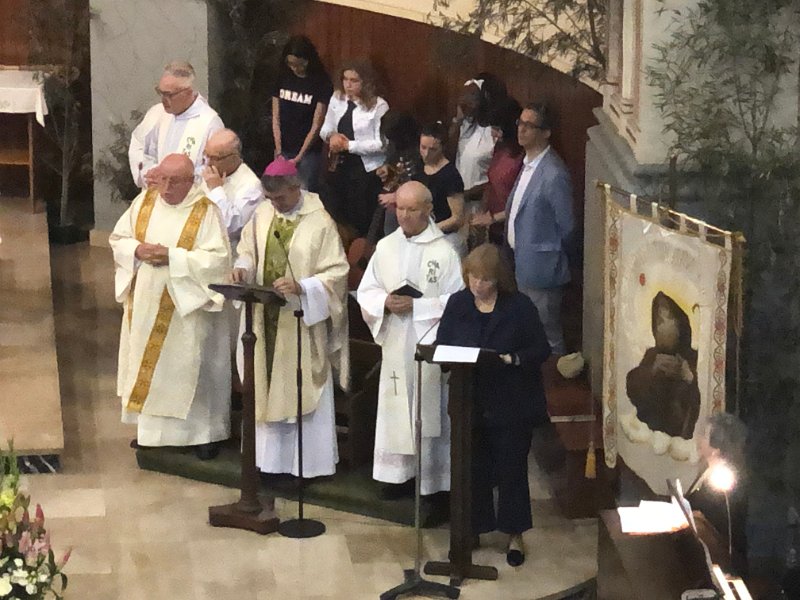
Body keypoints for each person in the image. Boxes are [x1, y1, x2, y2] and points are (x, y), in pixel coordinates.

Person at [232, 157, 349, 477]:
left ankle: (303, 468)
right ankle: (267, 464)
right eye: (270, 198)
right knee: (263, 385)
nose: (275, 205)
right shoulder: (262, 213)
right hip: (263, 319)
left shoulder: (320, 221)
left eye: (280, 198)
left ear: (296, 188)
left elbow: (337, 273)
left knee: (297, 391)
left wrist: (303, 287)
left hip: (298, 323)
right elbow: (248, 251)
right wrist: (242, 268)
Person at [110, 153, 231, 460]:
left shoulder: (205, 211)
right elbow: (118, 238)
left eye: (175, 181)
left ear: (192, 181)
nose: (165, 188)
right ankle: (151, 434)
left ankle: (202, 436)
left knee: (189, 367)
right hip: (146, 300)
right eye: (162, 179)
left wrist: (172, 257)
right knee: (148, 365)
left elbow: (218, 261)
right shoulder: (144, 202)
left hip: (186, 306)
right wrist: (137, 249)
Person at [436, 243, 551, 567]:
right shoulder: (458, 304)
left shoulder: (519, 307)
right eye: (473, 277)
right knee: (472, 469)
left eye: (485, 279)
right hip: (469, 400)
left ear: (499, 279)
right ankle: (473, 529)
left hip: (511, 401)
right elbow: (443, 342)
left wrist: (512, 359)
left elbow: (540, 349)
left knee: (511, 469)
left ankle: (514, 534)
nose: (477, 284)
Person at [357, 181, 463, 498]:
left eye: (412, 209)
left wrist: (418, 306)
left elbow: (458, 303)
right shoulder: (386, 247)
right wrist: (384, 302)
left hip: (427, 342)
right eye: (399, 208)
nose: (403, 215)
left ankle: (431, 482)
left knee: (428, 411)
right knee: (396, 407)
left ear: (428, 210)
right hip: (395, 340)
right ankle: (397, 476)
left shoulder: (445, 252)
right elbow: (366, 290)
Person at [505, 102, 574, 355]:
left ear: (546, 132)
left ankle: (555, 375)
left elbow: (567, 227)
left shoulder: (554, 174)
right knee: (527, 328)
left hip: (542, 268)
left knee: (547, 332)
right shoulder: (528, 164)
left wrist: (549, 255)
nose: (521, 129)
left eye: (529, 125)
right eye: (520, 123)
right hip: (520, 261)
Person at [320, 59, 388, 236]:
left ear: (365, 82)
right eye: (345, 79)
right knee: (335, 208)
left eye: (354, 80)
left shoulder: (379, 105)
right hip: (338, 164)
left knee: (359, 214)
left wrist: (349, 145)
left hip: (364, 168)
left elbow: (381, 143)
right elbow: (325, 128)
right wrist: (332, 136)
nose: (348, 85)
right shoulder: (337, 97)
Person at [129, 61, 224, 188]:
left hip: (191, 196)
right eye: (160, 92)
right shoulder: (156, 113)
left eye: (169, 95)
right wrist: (149, 172)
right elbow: (139, 145)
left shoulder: (210, 123)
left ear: (188, 92)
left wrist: (175, 178)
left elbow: (214, 169)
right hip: (157, 192)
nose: (163, 99)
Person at [380, 122, 466, 255]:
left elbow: (457, 218)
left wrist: (428, 230)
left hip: (441, 235)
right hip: (417, 232)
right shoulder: (418, 165)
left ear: (442, 148)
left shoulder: (450, 175)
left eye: (433, 149)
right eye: (423, 147)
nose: (426, 154)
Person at [626, 291, 701, 440]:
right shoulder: (652, 356)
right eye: (659, 321)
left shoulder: (694, 358)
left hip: (684, 438)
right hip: (655, 435)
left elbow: (700, 402)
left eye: (669, 319)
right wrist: (652, 372)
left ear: (680, 322)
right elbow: (633, 388)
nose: (663, 328)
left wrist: (689, 378)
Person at [272, 35, 333, 193]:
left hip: (308, 152)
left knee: (305, 193)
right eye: (291, 64)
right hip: (283, 148)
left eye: (300, 64)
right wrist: (278, 150)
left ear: (308, 60)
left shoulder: (321, 82)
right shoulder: (282, 77)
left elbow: (317, 124)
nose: (295, 68)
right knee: (281, 191)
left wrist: (299, 156)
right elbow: (276, 117)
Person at [201, 128, 264, 253]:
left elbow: (231, 228)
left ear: (234, 157)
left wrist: (216, 189)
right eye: (206, 155)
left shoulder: (252, 186)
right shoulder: (209, 171)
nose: (208, 162)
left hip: (229, 254)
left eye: (215, 158)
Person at [470, 98, 524, 246]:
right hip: (494, 227)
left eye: (498, 128)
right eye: (492, 128)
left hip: (514, 229)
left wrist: (494, 218)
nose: (494, 134)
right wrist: (482, 212)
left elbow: (522, 202)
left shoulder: (522, 157)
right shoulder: (500, 148)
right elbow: (491, 184)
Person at [450, 73, 508, 203]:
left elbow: (496, 178)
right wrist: (458, 120)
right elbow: (447, 153)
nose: (466, 101)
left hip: (478, 203)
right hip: (459, 200)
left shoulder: (495, 133)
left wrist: (466, 194)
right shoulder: (466, 125)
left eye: (473, 96)